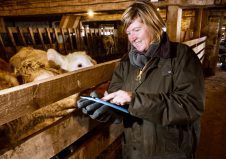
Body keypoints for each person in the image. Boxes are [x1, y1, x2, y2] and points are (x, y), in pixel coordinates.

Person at [77, 0, 205, 159]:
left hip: (170, 152)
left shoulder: (181, 56)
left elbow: (191, 105)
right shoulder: (125, 62)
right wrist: (105, 110)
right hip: (134, 151)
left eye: (136, 30)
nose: (132, 38)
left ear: (154, 25)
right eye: (129, 32)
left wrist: (134, 99)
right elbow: (118, 102)